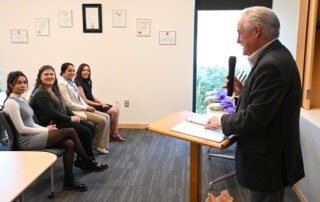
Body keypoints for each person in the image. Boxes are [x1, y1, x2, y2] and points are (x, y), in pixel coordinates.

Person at [205, 7, 304, 202]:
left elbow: (256, 118)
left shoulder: (271, 64)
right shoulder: (276, 56)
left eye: (239, 33)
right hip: (270, 159)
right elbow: (266, 107)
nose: (237, 40)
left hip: (268, 163)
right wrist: (242, 92)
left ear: (256, 31)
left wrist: (222, 121)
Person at [4, 71, 105, 192]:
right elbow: (21, 129)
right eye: (18, 83)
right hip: (26, 140)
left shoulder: (22, 99)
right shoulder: (11, 103)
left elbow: (31, 123)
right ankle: (87, 161)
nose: (23, 85)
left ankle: (69, 181)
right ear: (10, 85)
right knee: (70, 131)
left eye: (24, 82)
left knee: (69, 143)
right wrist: (46, 130)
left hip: (34, 135)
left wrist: (45, 130)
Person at [30, 65, 109, 171]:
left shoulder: (52, 89)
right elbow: (50, 113)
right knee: (86, 132)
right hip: (53, 124)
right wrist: (69, 119)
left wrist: (73, 116)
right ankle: (88, 161)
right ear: (40, 77)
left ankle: (84, 159)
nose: (49, 76)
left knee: (91, 127)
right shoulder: (41, 93)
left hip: (61, 119)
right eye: (46, 74)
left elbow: (65, 106)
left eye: (51, 74)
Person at [58, 63, 111, 154]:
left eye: (73, 70)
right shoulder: (61, 84)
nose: (72, 72)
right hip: (74, 111)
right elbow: (68, 104)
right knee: (102, 120)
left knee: (107, 116)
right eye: (69, 71)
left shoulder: (71, 82)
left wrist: (87, 106)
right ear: (63, 72)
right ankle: (96, 145)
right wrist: (85, 108)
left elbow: (80, 98)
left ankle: (102, 145)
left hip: (82, 108)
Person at [74, 63, 125, 142]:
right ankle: (114, 134)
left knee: (116, 109)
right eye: (84, 70)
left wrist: (100, 101)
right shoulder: (78, 83)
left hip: (94, 103)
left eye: (88, 70)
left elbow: (91, 95)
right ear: (80, 71)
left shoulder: (86, 81)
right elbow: (85, 100)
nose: (86, 72)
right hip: (89, 105)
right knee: (114, 112)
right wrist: (98, 104)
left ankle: (113, 133)